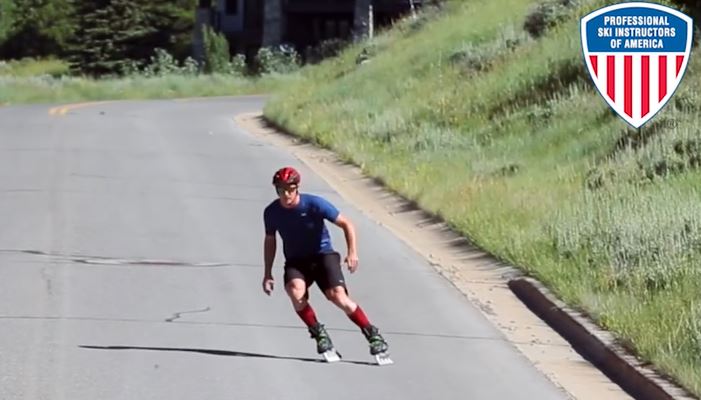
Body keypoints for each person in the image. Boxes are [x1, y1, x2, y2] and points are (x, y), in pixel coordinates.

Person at [261, 166, 390, 361]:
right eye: (281, 190)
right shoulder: (272, 212)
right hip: (296, 261)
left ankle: (372, 334)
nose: (286, 194)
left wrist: (352, 252)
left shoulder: (314, 204)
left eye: (290, 189)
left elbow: (346, 224)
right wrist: (267, 272)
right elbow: (270, 240)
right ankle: (318, 333)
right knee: (295, 291)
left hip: (323, 255)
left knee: (337, 296)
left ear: (297, 188)